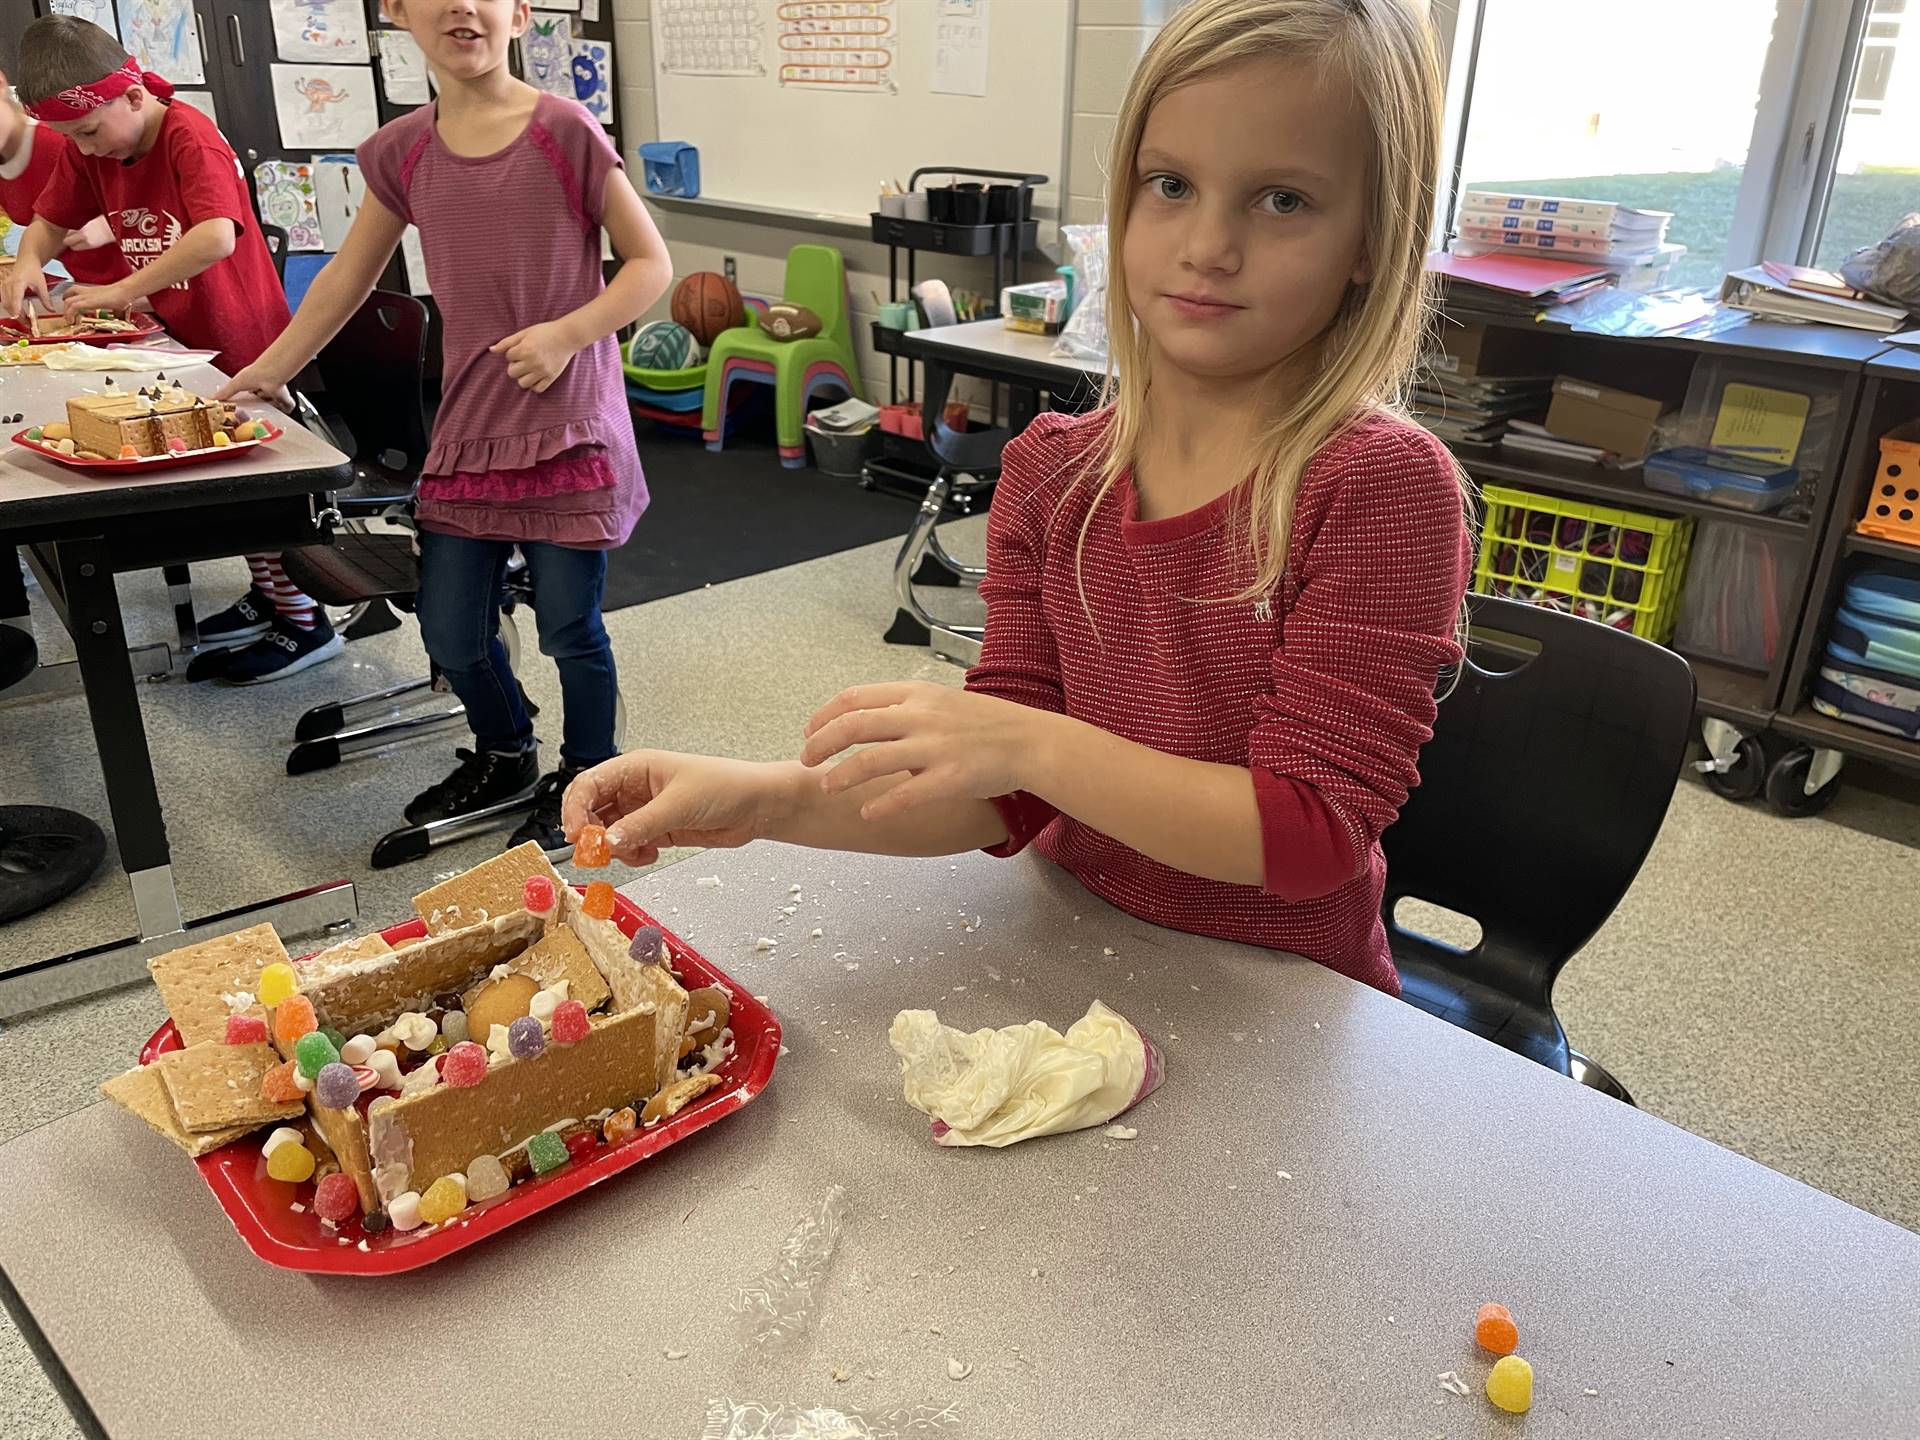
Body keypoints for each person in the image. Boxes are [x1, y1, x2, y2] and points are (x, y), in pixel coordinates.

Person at [563, 0, 1475, 995]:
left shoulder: (1382, 488)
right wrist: (770, 800)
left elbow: (1314, 833)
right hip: (1076, 956)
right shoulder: (1054, 472)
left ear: (1372, 241)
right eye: (1170, 185)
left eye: (1284, 201)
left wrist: (1030, 743)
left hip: (1282, 995)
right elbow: (1002, 800)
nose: (1208, 244)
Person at [218, 0, 671, 852]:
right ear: (397, 11)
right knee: (451, 630)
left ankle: (590, 775)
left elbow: (651, 263)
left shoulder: (564, 130)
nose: (463, 6)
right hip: (471, 429)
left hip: (570, 425)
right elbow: (345, 279)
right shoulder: (403, 151)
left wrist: (568, 333)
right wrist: (270, 368)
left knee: (571, 625)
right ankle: (505, 749)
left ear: (517, 13)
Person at [1, 16, 340, 683]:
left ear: (132, 96)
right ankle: (272, 595)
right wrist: (26, 262)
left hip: (244, 343)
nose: (86, 150)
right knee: (228, 500)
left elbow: (215, 236)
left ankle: (306, 623)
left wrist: (119, 289)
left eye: (90, 132)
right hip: (185, 344)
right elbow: (48, 221)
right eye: (72, 138)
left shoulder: (189, 134)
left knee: (254, 499)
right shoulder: (88, 146)